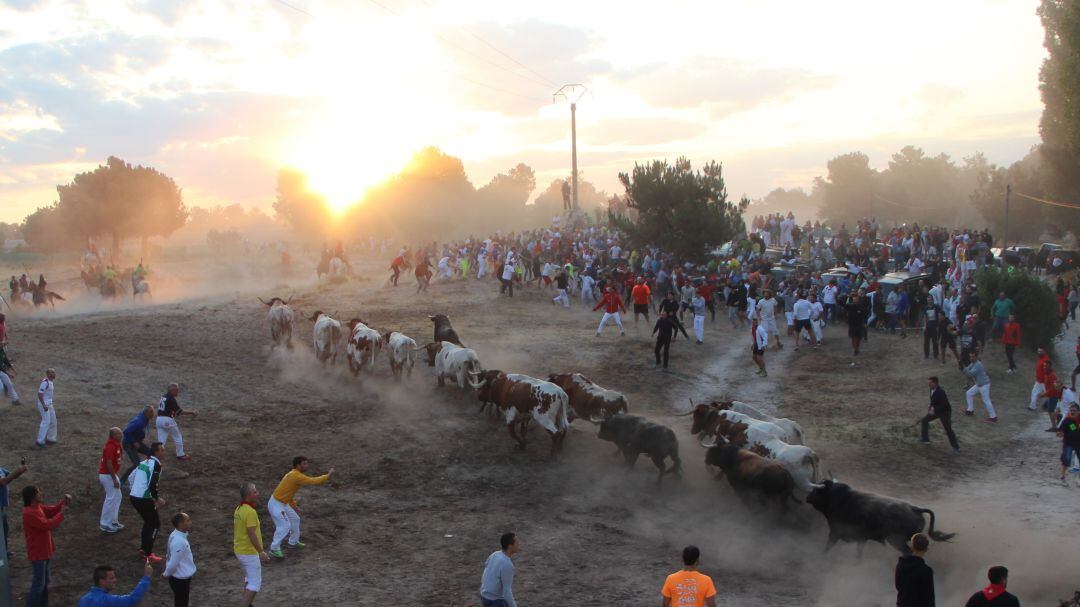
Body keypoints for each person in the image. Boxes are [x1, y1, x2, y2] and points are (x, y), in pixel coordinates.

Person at [267, 456, 334, 558]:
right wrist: (327, 476)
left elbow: (288, 493)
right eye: (304, 464)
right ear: (298, 465)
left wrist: (293, 506)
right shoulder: (296, 476)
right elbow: (313, 481)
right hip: (276, 504)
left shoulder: (294, 474)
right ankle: (274, 549)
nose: (307, 465)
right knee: (284, 526)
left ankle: (293, 542)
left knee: (295, 519)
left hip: (283, 503)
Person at [22, 485, 71, 607]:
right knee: (39, 584)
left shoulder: (37, 507)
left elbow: (52, 510)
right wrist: (62, 513)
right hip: (38, 553)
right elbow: (47, 525)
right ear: (32, 497)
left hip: (44, 551)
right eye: (38, 492)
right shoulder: (29, 513)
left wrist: (63, 502)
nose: (41, 494)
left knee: (43, 583)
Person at [129, 442, 165, 562]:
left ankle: (143, 549)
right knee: (155, 524)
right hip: (143, 498)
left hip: (134, 496)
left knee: (148, 522)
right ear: (156, 452)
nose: (164, 452)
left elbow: (131, 477)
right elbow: (153, 484)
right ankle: (148, 553)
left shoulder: (143, 462)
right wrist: (156, 498)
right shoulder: (156, 465)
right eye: (162, 450)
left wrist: (134, 489)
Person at [235, 483, 269, 607]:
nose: (257, 493)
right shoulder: (250, 512)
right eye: (255, 492)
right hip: (248, 552)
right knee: (255, 584)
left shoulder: (239, 509)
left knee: (249, 579)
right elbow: (251, 534)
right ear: (249, 495)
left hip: (240, 550)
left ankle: (247, 604)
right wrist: (261, 551)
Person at [76, 563, 152, 606]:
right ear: (102, 581)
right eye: (111, 578)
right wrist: (146, 577)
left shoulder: (83, 600)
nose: (115, 580)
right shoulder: (107, 600)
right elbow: (132, 599)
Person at [157, 383, 197, 462]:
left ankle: (156, 455)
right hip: (167, 420)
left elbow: (171, 410)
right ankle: (180, 454)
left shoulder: (164, 396)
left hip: (159, 420)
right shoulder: (171, 398)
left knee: (161, 440)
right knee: (177, 436)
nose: (178, 392)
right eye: (177, 391)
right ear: (172, 390)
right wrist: (192, 412)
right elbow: (179, 412)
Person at [163, 512, 196, 607]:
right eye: (188, 520)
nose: (191, 522)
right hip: (180, 579)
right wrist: (166, 574)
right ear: (181, 524)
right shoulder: (179, 541)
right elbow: (173, 562)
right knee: (181, 603)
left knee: (181, 601)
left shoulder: (175, 535)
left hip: (179, 577)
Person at [895, 533, 935, 607]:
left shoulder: (900, 565)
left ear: (912, 547)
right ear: (926, 549)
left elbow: (898, 586)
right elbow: (929, 598)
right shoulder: (926, 571)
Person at [479, 532, 519, 607]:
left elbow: (486, 566)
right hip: (493, 601)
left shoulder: (495, 554)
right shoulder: (507, 564)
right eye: (516, 542)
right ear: (510, 546)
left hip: (483, 595)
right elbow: (507, 591)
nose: (518, 544)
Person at [921, 377, 959, 453]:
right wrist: (930, 405)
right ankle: (925, 439)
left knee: (948, 429)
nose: (928, 384)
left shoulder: (941, 392)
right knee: (924, 421)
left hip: (945, 412)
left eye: (930, 383)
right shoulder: (932, 389)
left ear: (935, 383)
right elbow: (933, 399)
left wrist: (934, 410)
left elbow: (944, 405)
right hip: (937, 411)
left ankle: (956, 447)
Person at [121, 406, 157, 485]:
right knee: (136, 463)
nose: (153, 414)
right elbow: (126, 432)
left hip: (136, 442)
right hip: (128, 443)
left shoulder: (145, 419)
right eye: (151, 412)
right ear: (146, 413)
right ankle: (122, 480)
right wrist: (134, 442)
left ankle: (148, 473)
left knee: (150, 453)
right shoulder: (139, 421)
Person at [98, 427, 125, 533]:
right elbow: (109, 464)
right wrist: (114, 479)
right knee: (111, 498)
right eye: (119, 434)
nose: (121, 435)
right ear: (113, 435)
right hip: (108, 475)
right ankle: (105, 523)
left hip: (110, 474)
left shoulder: (116, 445)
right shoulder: (110, 447)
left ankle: (113, 520)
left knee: (118, 496)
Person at [0, 461, 27, 559]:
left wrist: (19, 471)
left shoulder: (0, 468)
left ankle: (4, 552)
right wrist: (18, 471)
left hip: (2, 508)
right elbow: (3, 481)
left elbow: (8, 478)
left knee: (4, 530)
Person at [964, 352, 997, 422]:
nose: (971, 358)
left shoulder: (978, 365)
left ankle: (993, 417)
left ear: (976, 357)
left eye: (973, 357)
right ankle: (970, 410)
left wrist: (963, 368)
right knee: (969, 393)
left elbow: (970, 373)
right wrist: (964, 368)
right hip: (979, 384)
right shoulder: (973, 363)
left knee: (986, 400)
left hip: (984, 385)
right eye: (970, 357)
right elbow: (968, 369)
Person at [1056, 402, 1080, 486]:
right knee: (1066, 460)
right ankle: (1062, 477)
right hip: (1068, 443)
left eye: (1074, 410)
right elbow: (1059, 432)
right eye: (1071, 410)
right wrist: (1060, 434)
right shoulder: (1066, 420)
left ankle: (1078, 478)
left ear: (1078, 411)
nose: (1072, 412)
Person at [35, 368, 57, 448]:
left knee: (53, 420)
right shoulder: (45, 382)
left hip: (49, 404)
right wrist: (44, 405)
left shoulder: (50, 382)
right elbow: (40, 394)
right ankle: (40, 441)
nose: (53, 374)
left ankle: (51, 438)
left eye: (54, 372)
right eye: (51, 372)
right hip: (44, 404)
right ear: (47, 374)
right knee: (46, 421)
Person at [845, 292, 868, 366]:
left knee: (858, 338)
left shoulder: (861, 307)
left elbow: (865, 314)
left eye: (856, 299)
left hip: (859, 324)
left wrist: (864, 322)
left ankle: (856, 348)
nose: (855, 300)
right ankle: (855, 350)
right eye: (854, 299)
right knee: (853, 337)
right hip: (852, 325)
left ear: (858, 300)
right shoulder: (850, 306)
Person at [1030, 347, 1051, 411]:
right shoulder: (1040, 358)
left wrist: (1047, 380)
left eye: (1041, 351)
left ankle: (1053, 407)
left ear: (1044, 351)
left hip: (1044, 381)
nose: (1039, 353)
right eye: (1038, 351)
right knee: (1034, 392)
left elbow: (1048, 370)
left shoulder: (1046, 359)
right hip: (1039, 381)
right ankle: (1032, 407)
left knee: (1049, 394)